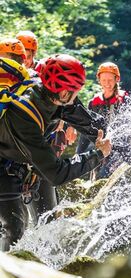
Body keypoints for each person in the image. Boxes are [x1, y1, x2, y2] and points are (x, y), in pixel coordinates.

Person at [0, 53, 112, 251]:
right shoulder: (24, 115)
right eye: (76, 91)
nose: (77, 96)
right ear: (63, 94)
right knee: (15, 227)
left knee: (49, 220)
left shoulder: (48, 90)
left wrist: (106, 136)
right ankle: (8, 275)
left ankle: (45, 266)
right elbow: (57, 174)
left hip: (25, 155)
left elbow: (83, 119)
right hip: (4, 163)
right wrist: (97, 155)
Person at [77, 62, 129, 180]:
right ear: (99, 80)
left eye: (110, 80)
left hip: (120, 145)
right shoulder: (93, 103)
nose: (107, 83)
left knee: (105, 175)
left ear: (117, 79)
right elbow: (86, 129)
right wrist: (78, 153)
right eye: (104, 80)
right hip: (101, 146)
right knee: (96, 177)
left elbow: (127, 127)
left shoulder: (123, 99)